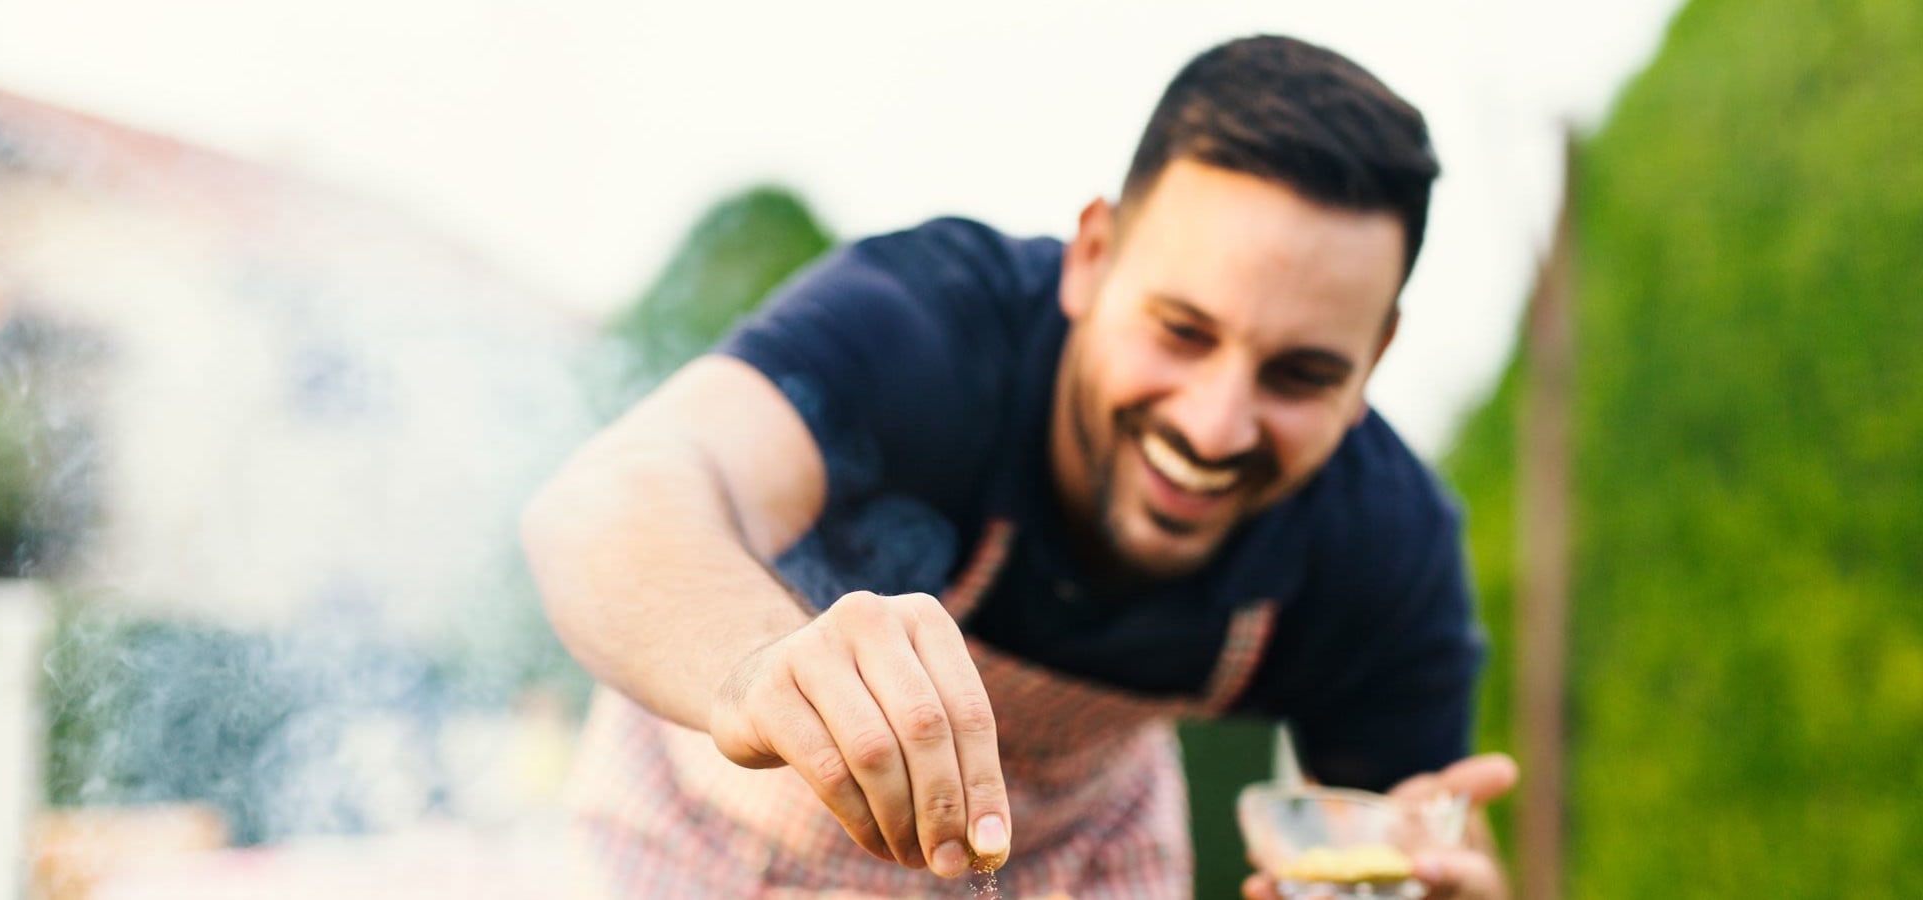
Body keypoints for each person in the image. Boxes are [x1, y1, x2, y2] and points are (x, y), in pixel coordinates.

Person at [522, 34, 1517, 899]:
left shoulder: (1382, 542)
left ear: (1374, 357)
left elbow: (1402, 857)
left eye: (1298, 375)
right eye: (1179, 332)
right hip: (709, 847)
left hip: (1067, 868)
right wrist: (755, 670)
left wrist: (1438, 892)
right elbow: (609, 503)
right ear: (1090, 257)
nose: (1214, 429)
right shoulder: (929, 328)